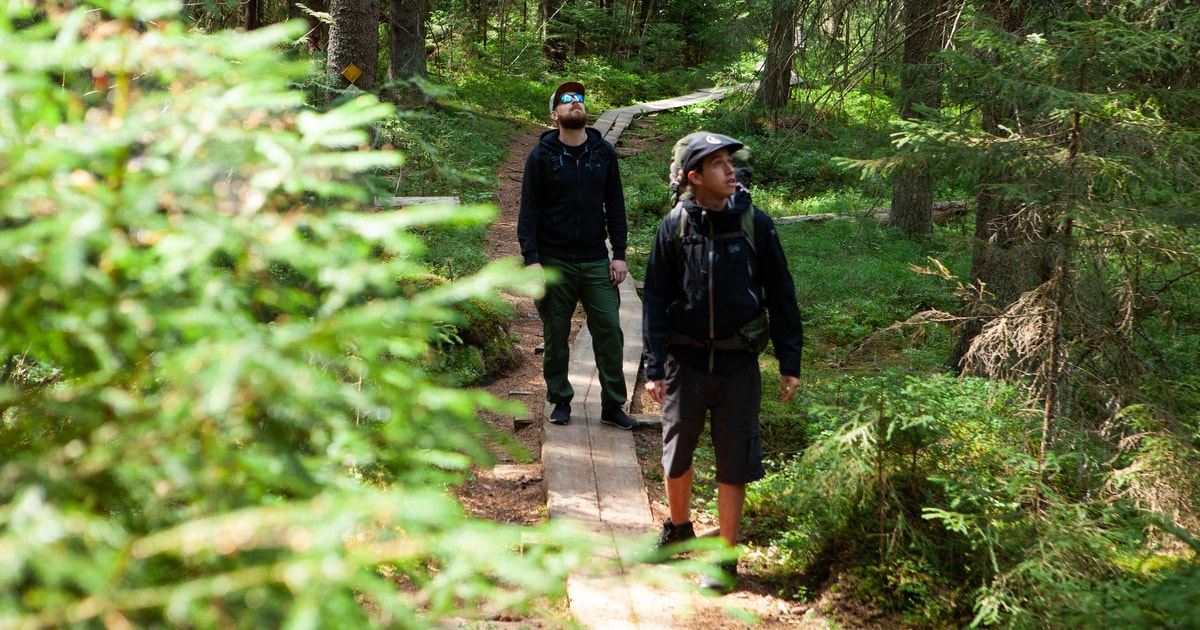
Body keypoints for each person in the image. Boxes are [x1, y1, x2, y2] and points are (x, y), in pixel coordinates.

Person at [641, 132, 804, 593]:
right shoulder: (673, 227)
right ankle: (678, 530)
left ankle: (726, 559)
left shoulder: (757, 224)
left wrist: (789, 359)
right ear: (694, 177)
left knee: (735, 460)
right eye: (718, 164)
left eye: (731, 162)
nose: (731, 170)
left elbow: (781, 293)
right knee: (677, 449)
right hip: (684, 362)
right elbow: (654, 298)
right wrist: (654, 366)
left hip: (738, 364)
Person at [517, 81, 637, 430]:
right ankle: (560, 399)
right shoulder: (540, 157)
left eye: (579, 99)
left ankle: (613, 404)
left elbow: (614, 205)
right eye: (567, 100)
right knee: (556, 333)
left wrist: (619, 254)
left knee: (610, 331)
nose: (575, 103)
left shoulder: (603, 154)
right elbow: (529, 213)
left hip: (596, 259)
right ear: (554, 114)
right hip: (554, 261)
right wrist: (532, 260)